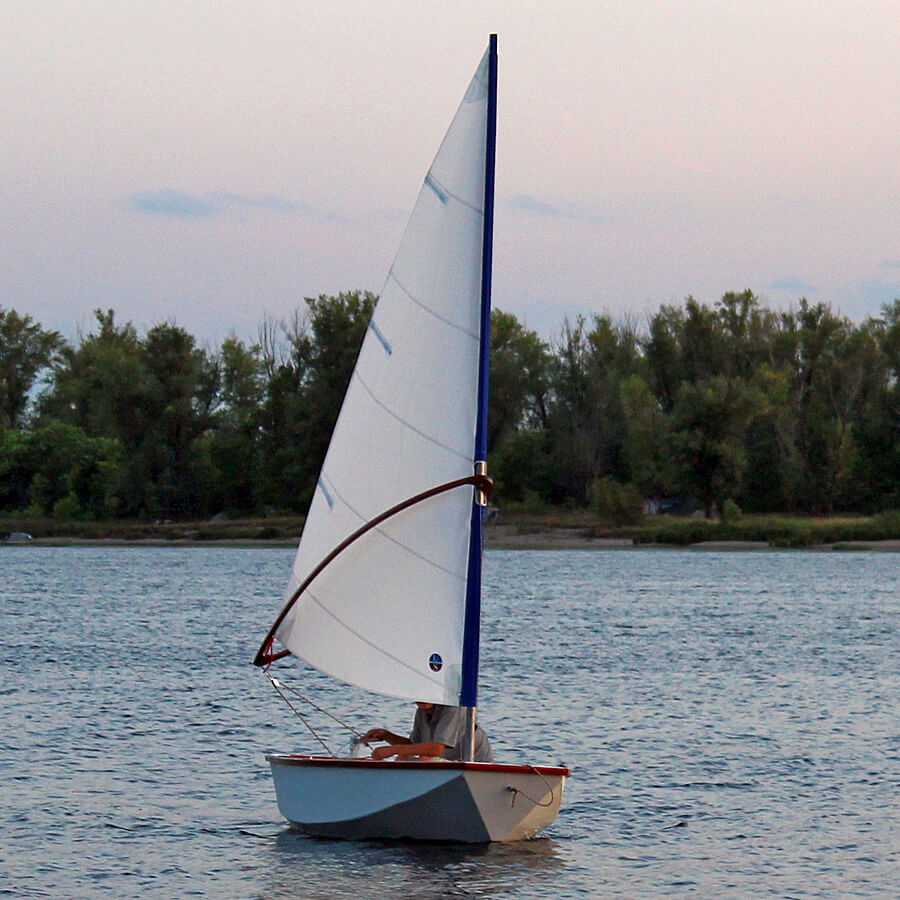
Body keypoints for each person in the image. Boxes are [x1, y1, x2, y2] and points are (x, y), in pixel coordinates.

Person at [363, 702, 494, 762]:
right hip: (449, 770)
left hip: (475, 771)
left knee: (423, 759)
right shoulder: (422, 712)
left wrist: (392, 750)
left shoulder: (454, 708)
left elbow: (436, 749)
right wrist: (386, 735)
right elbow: (414, 746)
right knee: (403, 758)